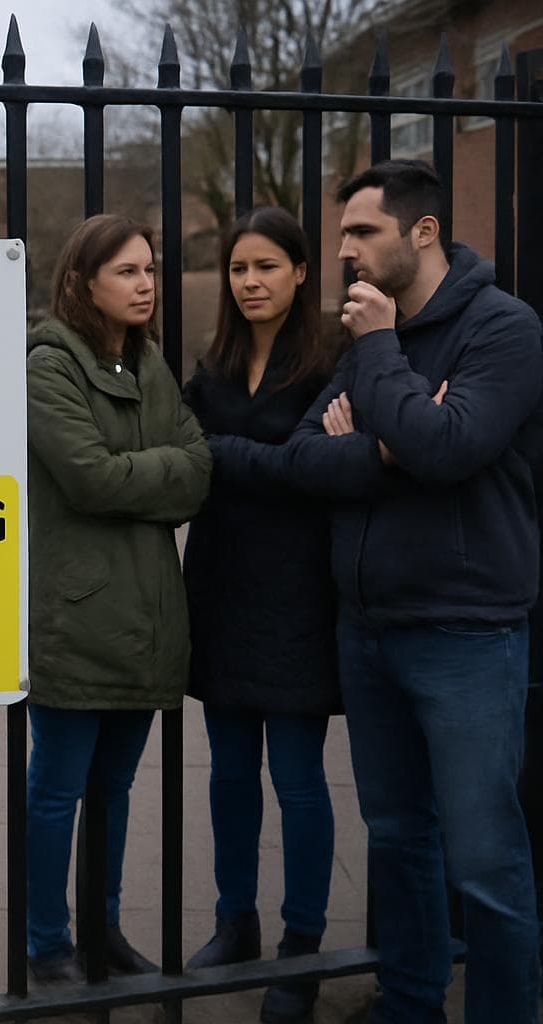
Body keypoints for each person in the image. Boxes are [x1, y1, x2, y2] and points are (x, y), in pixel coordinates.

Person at [219, 160, 543, 1022]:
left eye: (362, 234)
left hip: (467, 634)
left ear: (422, 231)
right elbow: (299, 456)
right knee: (398, 839)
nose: (347, 255)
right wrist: (390, 443)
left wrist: (378, 364)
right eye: (343, 239)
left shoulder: (502, 329)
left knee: (485, 859)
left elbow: (450, 447)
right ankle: (409, 1003)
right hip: (368, 628)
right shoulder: (377, 335)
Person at [23, 214, 212, 983]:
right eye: (127, 272)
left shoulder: (149, 361)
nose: (145, 285)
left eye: (150, 269)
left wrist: (142, 470)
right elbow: (89, 477)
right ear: (82, 284)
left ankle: (102, 930)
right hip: (76, 615)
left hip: (147, 618)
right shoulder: (47, 364)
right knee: (57, 790)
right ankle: (45, 941)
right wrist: (156, 470)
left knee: (115, 788)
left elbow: (200, 469)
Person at [180, 207, 339, 1024]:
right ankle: (232, 921)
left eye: (267, 266)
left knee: (301, 781)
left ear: (302, 273)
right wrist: (274, 463)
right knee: (229, 773)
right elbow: (185, 453)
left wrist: (227, 457)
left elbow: (325, 470)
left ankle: (301, 948)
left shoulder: (331, 365)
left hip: (300, 596)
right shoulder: (210, 367)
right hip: (221, 586)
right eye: (240, 268)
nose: (250, 282)